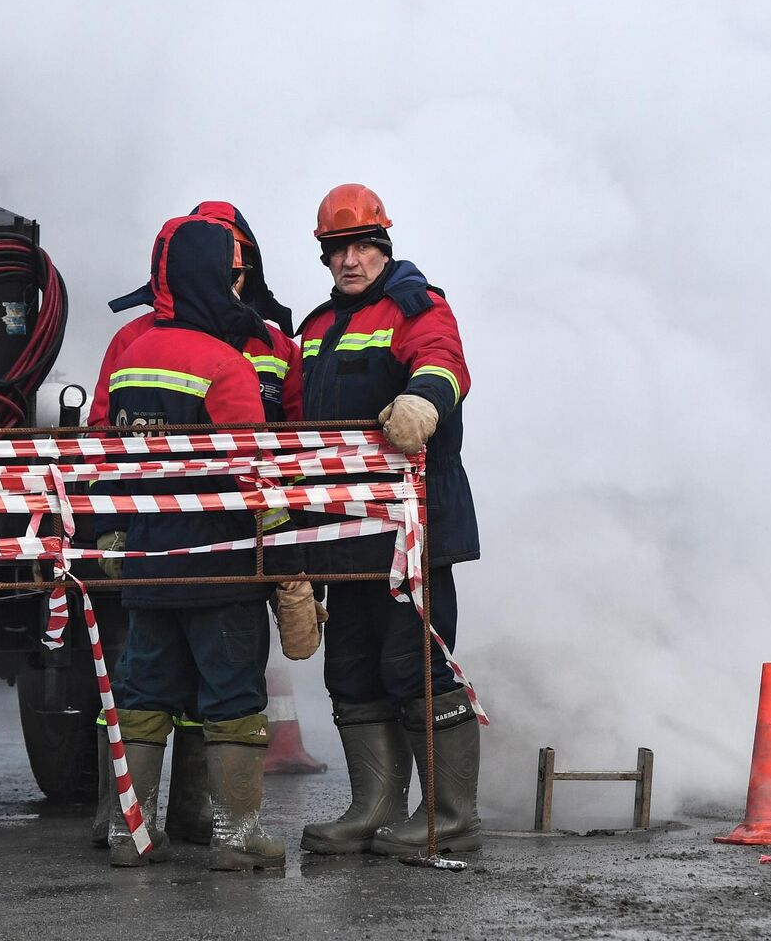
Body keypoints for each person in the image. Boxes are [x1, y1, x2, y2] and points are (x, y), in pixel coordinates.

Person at [87, 202, 304, 852]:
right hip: (221, 567)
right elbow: (254, 472)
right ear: (212, 278)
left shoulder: (132, 353)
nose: (240, 285)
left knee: (142, 695)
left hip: (147, 567)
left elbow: (101, 452)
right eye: (231, 274)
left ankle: (130, 834)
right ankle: (238, 840)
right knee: (234, 698)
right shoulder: (223, 362)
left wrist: (110, 535)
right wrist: (287, 562)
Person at [294, 183, 482, 856]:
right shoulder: (314, 329)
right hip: (346, 532)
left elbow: (443, 362)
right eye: (335, 248)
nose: (348, 260)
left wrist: (423, 402)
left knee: (416, 666)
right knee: (350, 671)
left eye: (360, 246)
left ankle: (449, 818)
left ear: (383, 245)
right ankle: (372, 810)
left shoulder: (416, 305)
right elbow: (294, 420)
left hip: (413, 529)